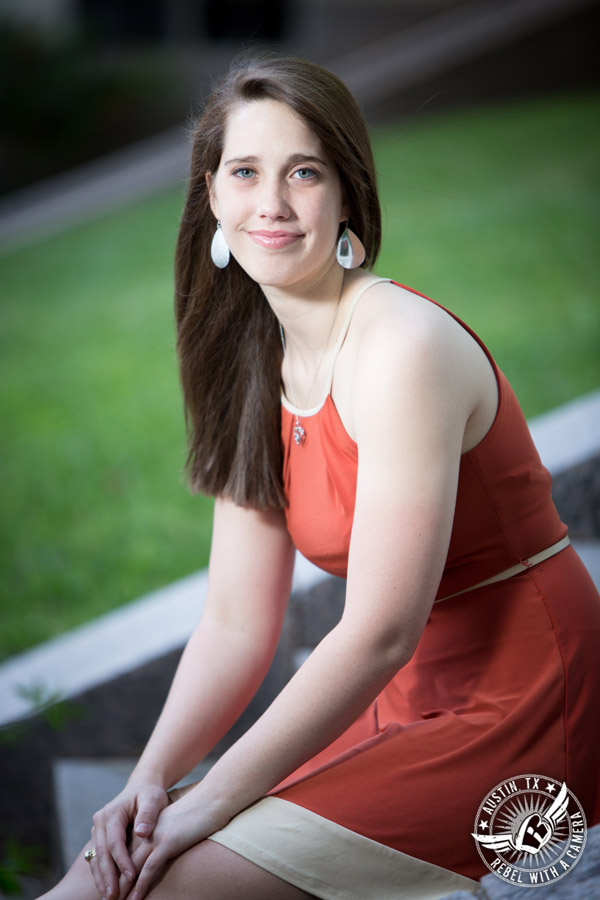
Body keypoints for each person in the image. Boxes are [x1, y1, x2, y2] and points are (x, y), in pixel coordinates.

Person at [39, 54, 600, 900]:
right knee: (108, 869)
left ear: (346, 195)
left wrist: (215, 797)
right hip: (395, 700)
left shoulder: (400, 348)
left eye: (304, 172)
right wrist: (149, 782)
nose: (272, 202)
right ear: (213, 196)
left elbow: (378, 631)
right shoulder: (253, 364)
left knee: (183, 880)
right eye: (245, 172)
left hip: (526, 714)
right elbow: (234, 621)